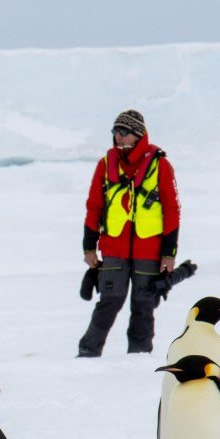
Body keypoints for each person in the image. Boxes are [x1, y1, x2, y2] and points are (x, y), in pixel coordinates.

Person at [77, 109, 180, 357]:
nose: (118, 137)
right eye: (115, 132)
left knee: (144, 306)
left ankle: (139, 357)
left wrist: (169, 253)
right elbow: (94, 207)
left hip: (150, 249)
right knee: (109, 302)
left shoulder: (160, 165)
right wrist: (89, 247)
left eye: (123, 132)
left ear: (137, 134)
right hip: (113, 248)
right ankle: (87, 353)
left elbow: (172, 209)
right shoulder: (105, 164)